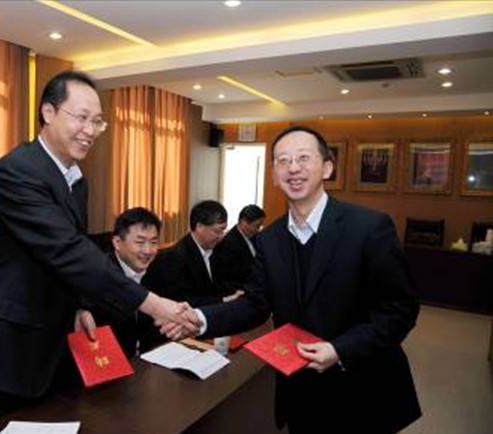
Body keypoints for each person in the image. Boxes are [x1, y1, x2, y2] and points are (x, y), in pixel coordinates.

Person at [0, 70, 192, 428]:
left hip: (54, 334)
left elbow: (74, 249)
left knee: (58, 420)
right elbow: (67, 251)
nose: (90, 130)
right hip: (9, 343)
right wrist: (154, 304)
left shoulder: (74, 179)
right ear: (48, 112)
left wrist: (80, 305)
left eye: (97, 121)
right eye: (81, 118)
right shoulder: (18, 171)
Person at [166, 126, 421, 434]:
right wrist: (201, 318)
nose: (293, 168)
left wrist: (340, 349)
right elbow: (255, 304)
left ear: (327, 168)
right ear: (274, 174)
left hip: (362, 386)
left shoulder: (368, 227)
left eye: (303, 158)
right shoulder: (269, 239)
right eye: (283, 160)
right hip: (299, 388)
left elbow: (400, 309)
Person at [77, 207, 164, 357]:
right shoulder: (98, 274)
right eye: (140, 242)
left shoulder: (159, 269)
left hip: (147, 359)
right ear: (117, 242)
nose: (148, 250)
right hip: (110, 360)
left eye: (153, 242)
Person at [146, 200, 243, 307]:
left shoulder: (217, 249)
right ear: (199, 226)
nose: (220, 237)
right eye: (217, 231)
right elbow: (183, 301)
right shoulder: (175, 257)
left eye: (223, 230)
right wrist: (224, 300)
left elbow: (219, 283)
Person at [212, 204, 266, 289]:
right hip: (241, 289)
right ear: (244, 222)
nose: (258, 229)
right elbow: (228, 276)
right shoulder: (228, 243)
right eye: (257, 226)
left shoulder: (256, 237)